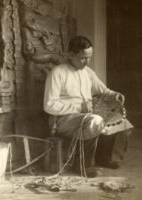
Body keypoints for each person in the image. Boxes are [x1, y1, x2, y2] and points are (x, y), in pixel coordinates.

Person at [43, 35, 134, 178]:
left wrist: (114, 94)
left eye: (89, 58)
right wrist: (79, 107)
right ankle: (83, 165)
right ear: (71, 55)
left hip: (85, 115)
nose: (87, 62)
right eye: (83, 58)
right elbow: (49, 105)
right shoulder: (57, 73)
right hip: (62, 121)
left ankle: (103, 158)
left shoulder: (87, 72)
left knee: (115, 116)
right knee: (95, 121)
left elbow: (103, 90)